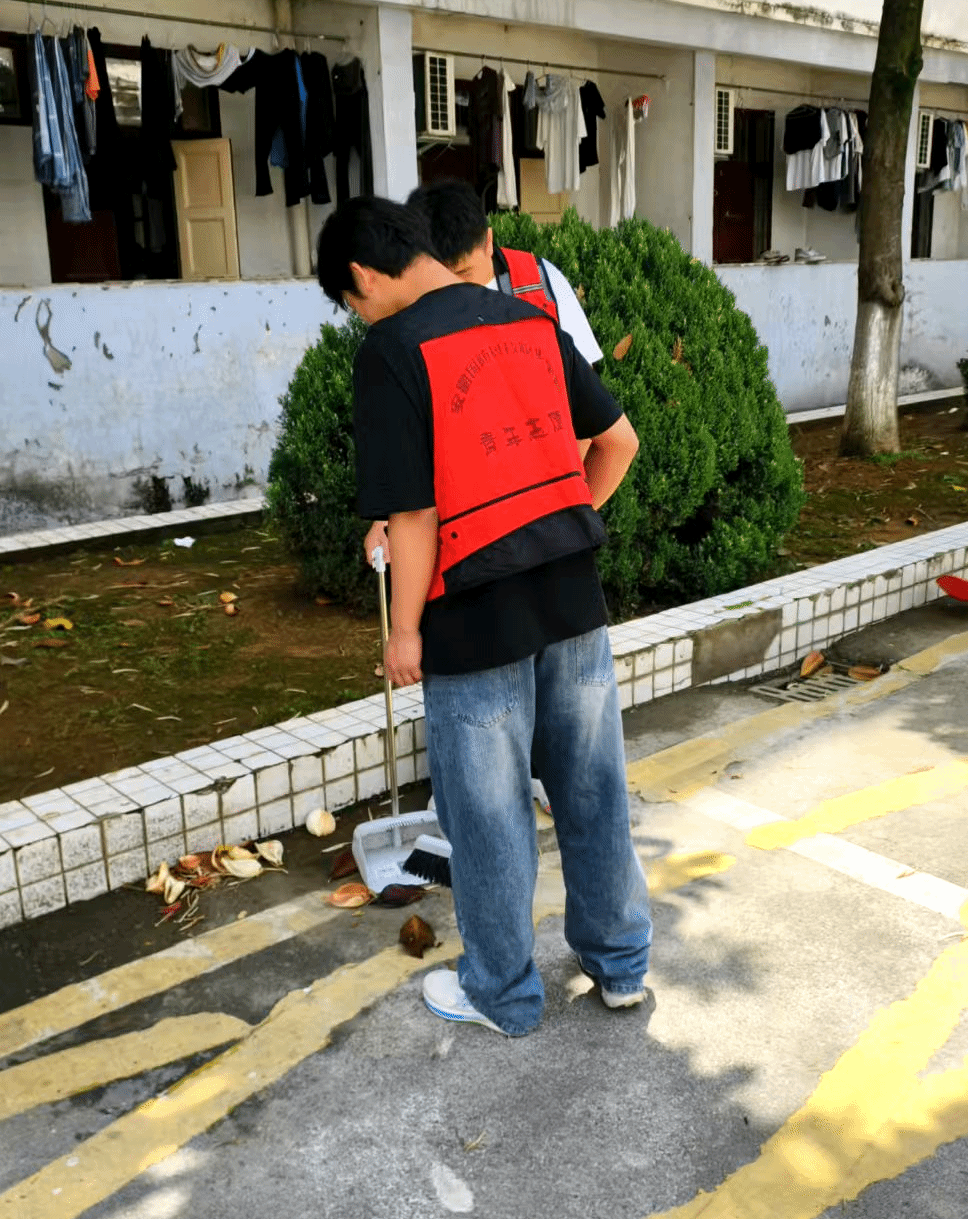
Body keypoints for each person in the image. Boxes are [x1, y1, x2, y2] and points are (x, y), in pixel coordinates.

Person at [317, 196, 650, 1037]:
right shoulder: (529, 321)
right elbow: (619, 442)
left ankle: (502, 991)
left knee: (490, 815)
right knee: (593, 790)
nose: (360, 317)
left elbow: (414, 514)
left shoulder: (392, 351)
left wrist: (403, 631)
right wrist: (563, 524)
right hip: (573, 598)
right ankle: (621, 966)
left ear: (362, 276)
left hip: (474, 620)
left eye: (351, 303)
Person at [364, 179, 603, 562]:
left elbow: (585, 419)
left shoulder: (538, 287)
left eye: (465, 273)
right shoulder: (412, 317)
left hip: (544, 511)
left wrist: (564, 521)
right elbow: (410, 443)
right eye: (444, 276)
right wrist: (386, 520)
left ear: (488, 242)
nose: (455, 291)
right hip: (462, 532)